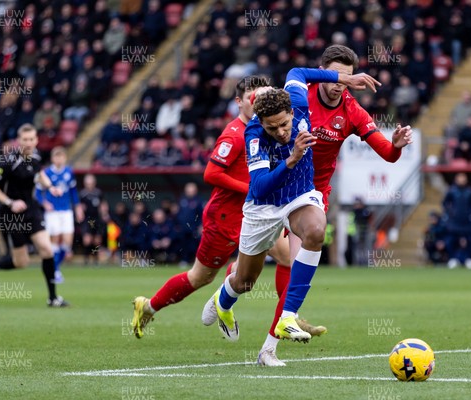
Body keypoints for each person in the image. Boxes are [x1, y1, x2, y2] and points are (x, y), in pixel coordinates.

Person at [130, 76, 333, 352]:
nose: (258, 98)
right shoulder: (236, 134)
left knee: (287, 257)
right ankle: (150, 305)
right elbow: (212, 173)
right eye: (253, 95)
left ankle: (288, 316)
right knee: (200, 277)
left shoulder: (272, 123)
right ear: (242, 101)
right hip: (226, 216)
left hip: (262, 211)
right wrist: (251, 185)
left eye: (263, 93)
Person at [253, 45, 413, 365]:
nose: (341, 83)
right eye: (336, 75)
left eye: (347, 77)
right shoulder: (299, 94)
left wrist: (395, 147)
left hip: (311, 194)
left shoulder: (353, 112)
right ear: (324, 71)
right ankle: (226, 296)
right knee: (245, 278)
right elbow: (293, 74)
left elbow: (387, 154)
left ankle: (272, 343)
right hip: (276, 184)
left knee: (307, 246)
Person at [201, 67, 376, 345]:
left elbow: (297, 71)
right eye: (273, 127)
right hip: (264, 207)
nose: (281, 132)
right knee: (245, 281)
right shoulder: (254, 134)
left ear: (293, 112)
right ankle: (223, 300)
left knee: (316, 231)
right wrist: (291, 159)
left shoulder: (297, 99)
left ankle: (288, 317)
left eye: (284, 124)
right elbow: (258, 187)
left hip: (299, 196)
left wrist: (343, 78)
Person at [0, 123, 69, 307]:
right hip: (13, 215)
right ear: (18, 141)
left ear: (36, 140)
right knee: (21, 262)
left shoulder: (36, 156)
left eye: (31, 139)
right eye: (25, 140)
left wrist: (50, 186)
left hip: (32, 210)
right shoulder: (8, 162)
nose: (28, 143)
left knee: (47, 250)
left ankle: (53, 298)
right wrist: (10, 202)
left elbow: (40, 175)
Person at [35, 147, 84, 283]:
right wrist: (45, 203)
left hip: (66, 210)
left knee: (67, 242)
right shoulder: (46, 173)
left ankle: (55, 268)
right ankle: (55, 271)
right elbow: (38, 193)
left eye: (61, 157)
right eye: (56, 157)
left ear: (64, 158)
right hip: (53, 212)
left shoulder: (69, 172)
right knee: (55, 239)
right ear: (52, 158)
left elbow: (73, 192)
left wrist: (78, 207)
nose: (59, 159)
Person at [79, 174, 105, 265]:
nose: (89, 185)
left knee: (97, 240)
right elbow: (79, 207)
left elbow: (102, 205)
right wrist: (80, 214)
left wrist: (104, 214)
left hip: (97, 219)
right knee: (87, 240)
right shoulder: (82, 194)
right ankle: (86, 260)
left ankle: (96, 259)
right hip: (87, 219)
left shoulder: (98, 193)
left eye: (90, 183)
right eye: (87, 183)